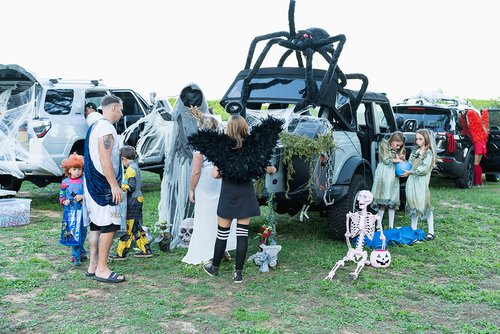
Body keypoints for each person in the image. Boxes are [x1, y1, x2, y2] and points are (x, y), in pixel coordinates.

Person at [191, 106, 282, 284]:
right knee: (242, 234)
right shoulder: (253, 149)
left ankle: (214, 268)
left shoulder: (223, 149)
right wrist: (270, 169)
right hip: (246, 194)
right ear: (245, 128)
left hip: (228, 194)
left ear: (229, 129)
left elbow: (215, 174)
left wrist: (227, 169)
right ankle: (238, 274)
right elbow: (266, 168)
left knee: (222, 234)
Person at [182, 109, 236, 265]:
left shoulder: (200, 145)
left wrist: (191, 189)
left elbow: (196, 171)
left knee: (205, 216)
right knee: (220, 215)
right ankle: (222, 249)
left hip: (205, 181)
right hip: (219, 180)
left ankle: (207, 251)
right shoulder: (223, 143)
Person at [83, 95, 125, 283]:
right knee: (109, 225)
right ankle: (102, 268)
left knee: (96, 224)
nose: (121, 113)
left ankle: (93, 265)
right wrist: (114, 185)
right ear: (114, 108)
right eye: (121, 110)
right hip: (104, 187)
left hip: (92, 185)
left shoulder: (94, 126)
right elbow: (104, 157)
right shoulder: (106, 127)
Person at [111, 145, 153, 259]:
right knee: (136, 227)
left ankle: (121, 253)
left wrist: (120, 186)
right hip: (137, 199)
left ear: (124, 158)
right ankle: (145, 250)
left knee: (128, 227)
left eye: (121, 161)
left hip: (133, 200)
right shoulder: (135, 166)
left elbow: (131, 187)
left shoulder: (130, 169)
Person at [401, 129, 436, 241]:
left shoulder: (428, 153)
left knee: (424, 204)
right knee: (413, 203)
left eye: (420, 139)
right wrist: (404, 163)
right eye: (416, 139)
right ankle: (413, 228)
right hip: (412, 181)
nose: (418, 141)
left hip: (421, 182)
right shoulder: (415, 151)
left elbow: (424, 169)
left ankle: (431, 231)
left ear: (426, 139)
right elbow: (410, 163)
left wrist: (411, 172)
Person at [371, 131, 406, 229]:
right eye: (397, 145)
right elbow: (386, 160)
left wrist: (401, 158)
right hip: (384, 173)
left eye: (400, 146)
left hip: (393, 175)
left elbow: (399, 162)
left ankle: (391, 226)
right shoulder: (384, 145)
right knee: (383, 200)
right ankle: (378, 225)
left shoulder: (397, 150)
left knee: (392, 202)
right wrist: (397, 159)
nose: (398, 147)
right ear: (393, 140)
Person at [59, 153, 87, 266]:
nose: (77, 171)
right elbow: (61, 196)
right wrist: (64, 201)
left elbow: (89, 195)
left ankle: (81, 252)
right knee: (73, 234)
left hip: (83, 211)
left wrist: (82, 197)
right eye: (74, 169)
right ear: (69, 170)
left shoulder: (85, 181)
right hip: (70, 212)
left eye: (79, 169)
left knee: (83, 233)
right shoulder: (65, 182)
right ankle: (76, 256)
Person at [459, 109, 489, 186]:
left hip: (478, 144)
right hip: (483, 143)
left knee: (476, 163)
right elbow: (486, 125)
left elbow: (464, 128)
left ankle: (477, 182)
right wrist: (485, 112)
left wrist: (461, 117)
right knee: (478, 163)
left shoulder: (472, 127)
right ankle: (479, 182)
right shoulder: (482, 124)